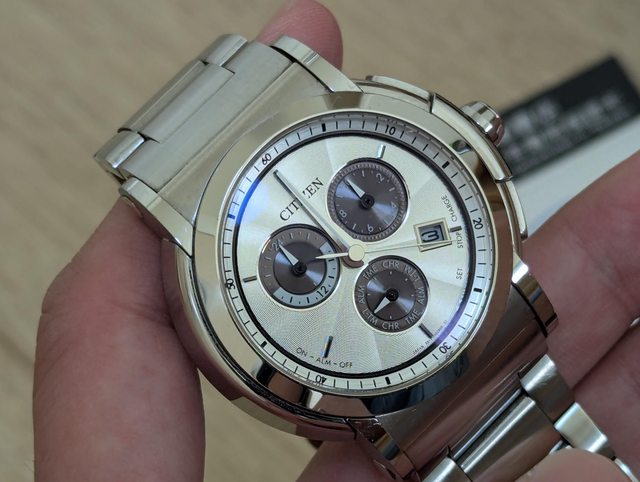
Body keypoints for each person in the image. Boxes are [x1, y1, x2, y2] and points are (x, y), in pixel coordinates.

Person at [33, 0, 639, 480]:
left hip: (495, 327)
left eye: (368, 204)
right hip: (411, 402)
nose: (354, 253)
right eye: (298, 268)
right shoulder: (190, 235)